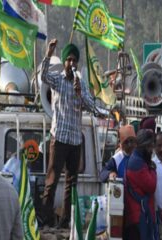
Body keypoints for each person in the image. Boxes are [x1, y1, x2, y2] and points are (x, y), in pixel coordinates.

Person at [39, 39, 108, 228]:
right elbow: (43, 76)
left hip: (76, 140)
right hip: (59, 137)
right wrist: (48, 53)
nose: (71, 63)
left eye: (74, 60)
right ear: (64, 62)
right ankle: (46, 220)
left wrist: (79, 93)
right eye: (68, 59)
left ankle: (65, 221)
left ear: (77, 63)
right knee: (52, 180)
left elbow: (92, 107)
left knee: (72, 182)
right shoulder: (57, 79)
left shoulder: (81, 84)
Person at [124, 129, 157, 240]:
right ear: (143, 146)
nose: (151, 150)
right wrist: (152, 169)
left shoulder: (139, 160)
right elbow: (151, 186)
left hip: (140, 217)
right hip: (138, 219)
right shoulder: (137, 163)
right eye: (149, 147)